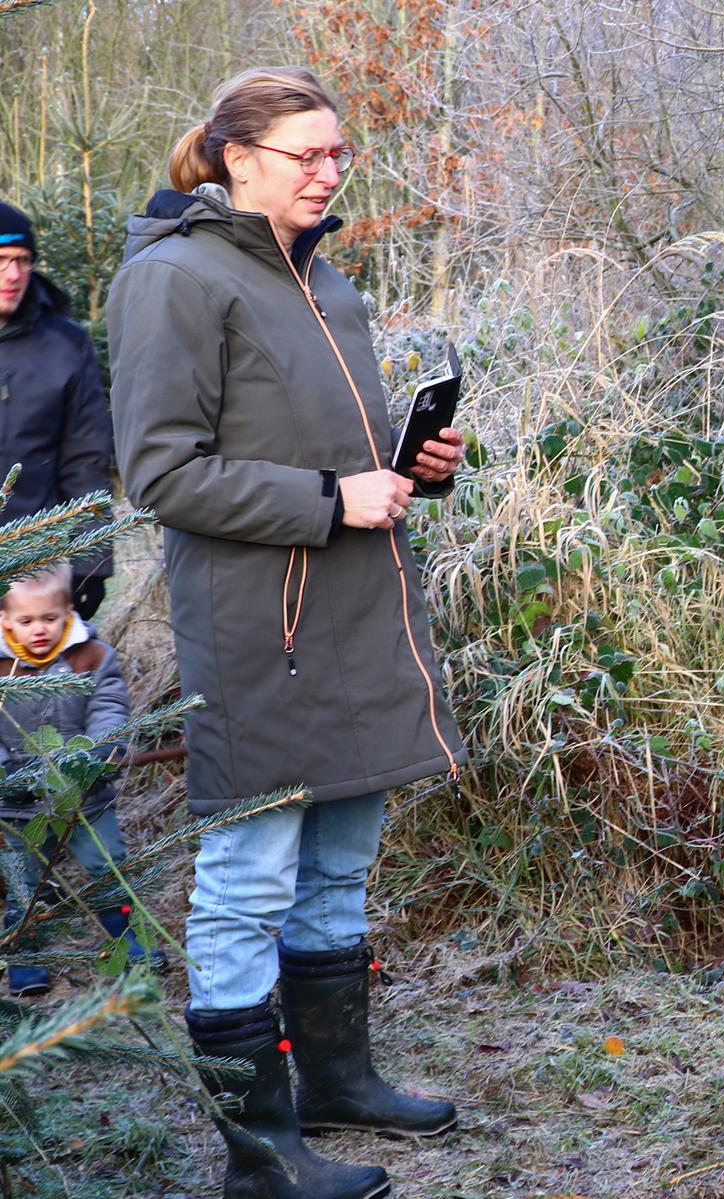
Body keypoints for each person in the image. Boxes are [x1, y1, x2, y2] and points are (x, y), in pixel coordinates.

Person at [108, 67, 468, 1199]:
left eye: (338, 154)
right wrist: (331, 497)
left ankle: (337, 1082)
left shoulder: (330, 284)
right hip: (260, 632)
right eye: (306, 153)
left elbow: (330, 447)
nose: (329, 172)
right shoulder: (174, 277)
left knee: (340, 868)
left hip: (361, 615)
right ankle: (260, 1156)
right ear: (234, 157)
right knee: (249, 880)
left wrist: (413, 470)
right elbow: (162, 473)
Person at [0, 565, 160, 996]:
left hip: (85, 797)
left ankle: (132, 939)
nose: (39, 630)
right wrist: (7, 773)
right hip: (20, 802)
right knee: (25, 879)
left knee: (106, 865)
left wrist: (95, 756)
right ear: (4, 621)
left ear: (68, 611)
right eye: (26, 621)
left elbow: (109, 706)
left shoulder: (90, 656)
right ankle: (28, 955)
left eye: (49, 619)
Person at [0, 203, 115, 619]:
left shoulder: (65, 345)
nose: (13, 275)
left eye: (23, 261)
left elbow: (85, 459)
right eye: (1, 261)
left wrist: (91, 562)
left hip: (34, 570)